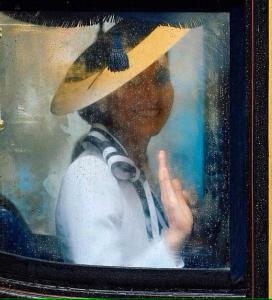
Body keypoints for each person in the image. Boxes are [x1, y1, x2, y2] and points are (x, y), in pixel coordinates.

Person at [52, 20, 195, 267]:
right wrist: (176, 236)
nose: (151, 95)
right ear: (102, 99)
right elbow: (102, 289)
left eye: (161, 77)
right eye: (134, 82)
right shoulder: (89, 174)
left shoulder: (135, 168)